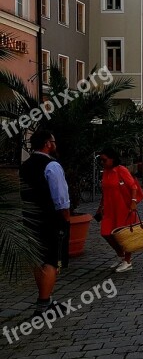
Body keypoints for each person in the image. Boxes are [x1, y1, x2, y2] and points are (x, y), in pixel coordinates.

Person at [19, 130, 71, 317]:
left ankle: (46, 298)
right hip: (50, 218)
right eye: (54, 141)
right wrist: (65, 218)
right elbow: (60, 197)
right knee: (51, 258)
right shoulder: (52, 166)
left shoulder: (25, 165)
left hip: (30, 217)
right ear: (48, 143)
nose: (55, 144)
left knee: (38, 258)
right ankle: (43, 304)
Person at [96, 148, 143, 273]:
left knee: (125, 235)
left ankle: (127, 261)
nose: (102, 162)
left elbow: (133, 186)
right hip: (109, 208)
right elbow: (105, 191)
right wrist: (100, 206)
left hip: (123, 207)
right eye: (101, 160)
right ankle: (121, 256)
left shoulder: (121, 170)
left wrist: (133, 202)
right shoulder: (106, 171)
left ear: (112, 159)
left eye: (104, 160)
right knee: (106, 233)